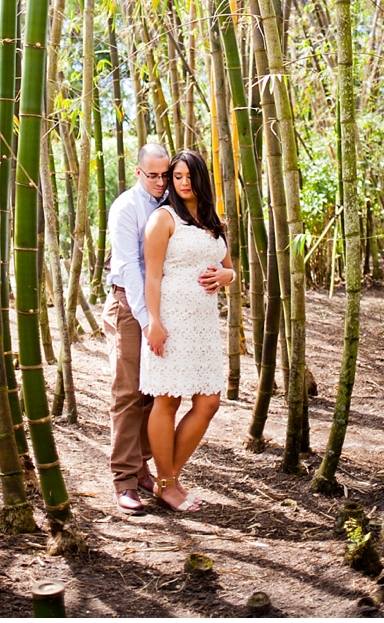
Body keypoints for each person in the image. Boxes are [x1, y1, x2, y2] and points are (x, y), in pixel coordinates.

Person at [140, 149, 236, 511]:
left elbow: (228, 268)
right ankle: (168, 483)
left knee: (208, 401)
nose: (181, 183)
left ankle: (168, 479)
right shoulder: (163, 219)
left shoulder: (213, 220)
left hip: (205, 324)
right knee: (168, 399)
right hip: (171, 320)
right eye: (175, 177)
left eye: (187, 176)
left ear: (201, 179)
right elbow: (151, 275)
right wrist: (154, 322)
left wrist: (229, 275)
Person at [102, 142, 170, 514]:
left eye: (165, 175)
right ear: (139, 172)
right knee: (128, 391)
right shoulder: (127, 207)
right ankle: (124, 480)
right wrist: (147, 321)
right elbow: (129, 268)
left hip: (159, 306)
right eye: (154, 176)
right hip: (129, 304)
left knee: (151, 391)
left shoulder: (171, 202)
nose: (161, 182)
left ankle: (142, 465)